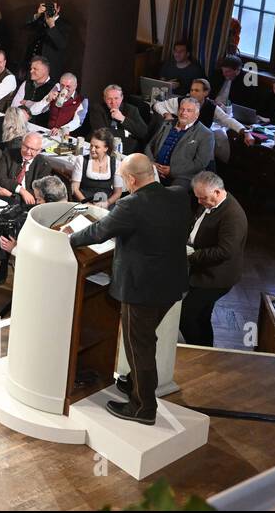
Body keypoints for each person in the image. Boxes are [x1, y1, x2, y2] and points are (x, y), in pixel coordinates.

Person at [66, 154, 193, 425]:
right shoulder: (180, 195)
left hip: (142, 289)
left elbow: (99, 231)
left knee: (140, 346)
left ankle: (143, 407)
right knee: (146, 340)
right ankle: (135, 384)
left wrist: (69, 238)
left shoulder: (131, 204)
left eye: (124, 178)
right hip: (172, 285)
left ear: (132, 180)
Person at [182, 172, 247, 347]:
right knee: (202, 316)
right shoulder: (208, 201)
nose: (199, 202)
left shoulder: (233, 215)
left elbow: (225, 251)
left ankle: (198, 350)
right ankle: (206, 348)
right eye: (197, 197)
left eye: (202, 198)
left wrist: (191, 256)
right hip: (203, 270)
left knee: (186, 316)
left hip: (216, 277)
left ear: (217, 192)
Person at [145, 97, 214, 189]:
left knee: (174, 190)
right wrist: (151, 163)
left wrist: (172, 171)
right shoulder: (167, 124)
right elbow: (150, 145)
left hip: (182, 175)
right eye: (182, 109)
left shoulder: (206, 134)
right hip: (154, 168)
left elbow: (200, 164)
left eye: (189, 110)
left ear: (196, 115)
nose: (183, 113)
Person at [86, 84, 148, 155]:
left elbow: (143, 132)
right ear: (104, 99)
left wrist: (123, 119)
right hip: (99, 148)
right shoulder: (97, 108)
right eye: (109, 99)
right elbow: (101, 133)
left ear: (122, 98)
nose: (113, 102)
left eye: (116, 98)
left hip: (125, 152)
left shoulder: (132, 110)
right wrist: (126, 133)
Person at [71, 130, 125, 208]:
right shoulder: (82, 160)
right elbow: (75, 189)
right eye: (91, 146)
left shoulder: (115, 164)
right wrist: (87, 205)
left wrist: (107, 203)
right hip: (84, 202)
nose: (92, 149)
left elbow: (118, 192)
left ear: (106, 148)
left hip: (105, 204)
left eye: (97, 147)